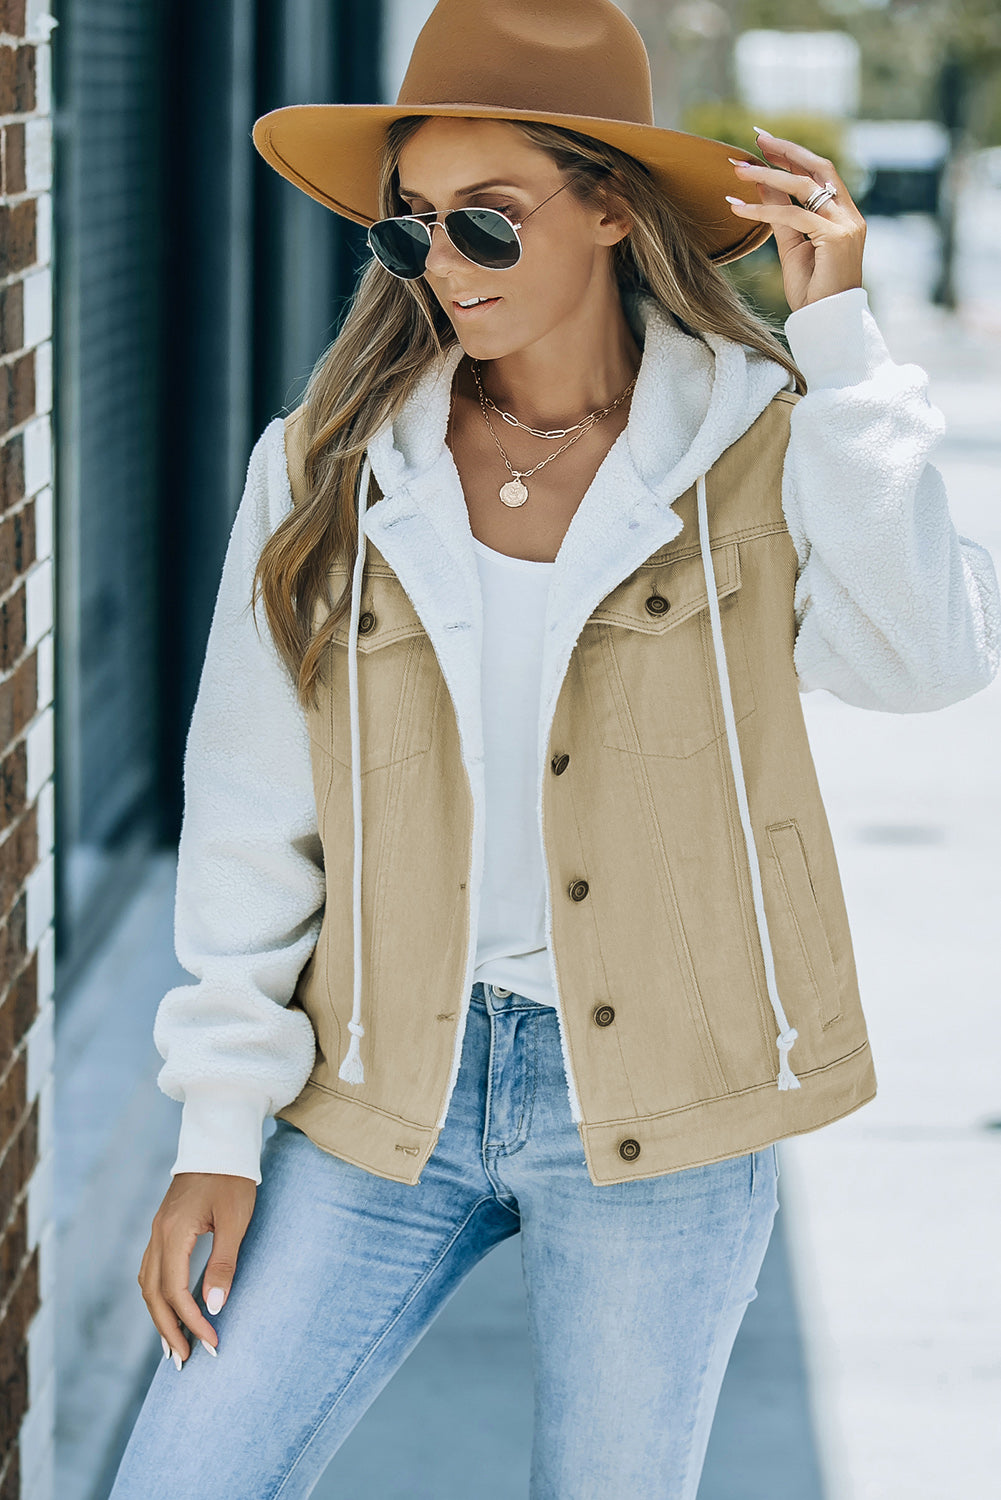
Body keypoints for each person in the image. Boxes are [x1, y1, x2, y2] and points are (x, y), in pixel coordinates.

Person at [109, 1, 1000, 1496]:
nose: (443, 266)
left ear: (610, 208)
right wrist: (218, 1126)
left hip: (668, 1096)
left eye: (487, 220)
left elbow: (924, 661)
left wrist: (842, 348)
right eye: (410, 228)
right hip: (380, 1081)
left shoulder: (759, 443)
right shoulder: (329, 465)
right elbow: (255, 804)